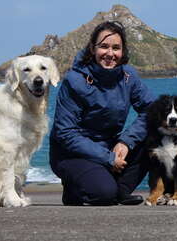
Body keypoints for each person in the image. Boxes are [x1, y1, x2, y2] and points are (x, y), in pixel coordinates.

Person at [49, 21, 156, 205]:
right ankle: (76, 189)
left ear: (123, 51)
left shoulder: (128, 77)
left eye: (116, 48)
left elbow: (153, 109)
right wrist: (107, 158)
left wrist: (126, 141)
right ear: (93, 48)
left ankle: (120, 191)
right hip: (72, 154)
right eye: (104, 46)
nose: (110, 53)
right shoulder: (75, 81)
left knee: (159, 133)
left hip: (109, 148)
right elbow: (65, 133)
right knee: (103, 193)